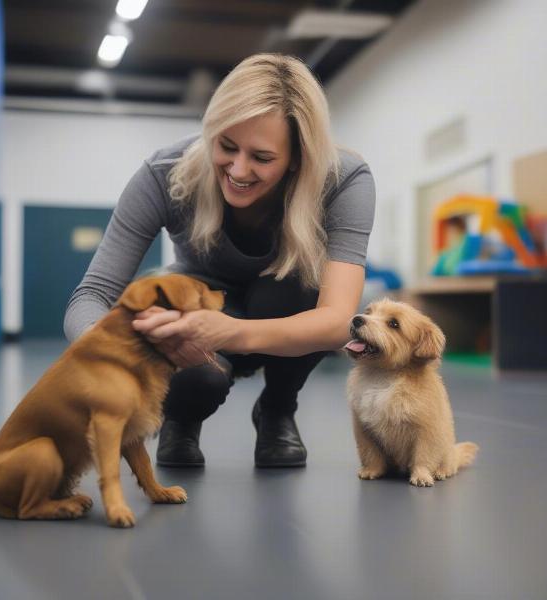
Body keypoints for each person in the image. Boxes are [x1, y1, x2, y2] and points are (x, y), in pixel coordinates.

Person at [64, 53, 375, 468]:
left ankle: (277, 408)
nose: (239, 169)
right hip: (201, 304)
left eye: (262, 158)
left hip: (278, 307)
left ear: (298, 157)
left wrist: (228, 332)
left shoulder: (344, 180)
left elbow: (338, 320)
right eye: (226, 146)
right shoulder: (164, 173)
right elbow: (92, 294)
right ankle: (180, 422)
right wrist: (120, 350)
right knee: (197, 374)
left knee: (297, 286)